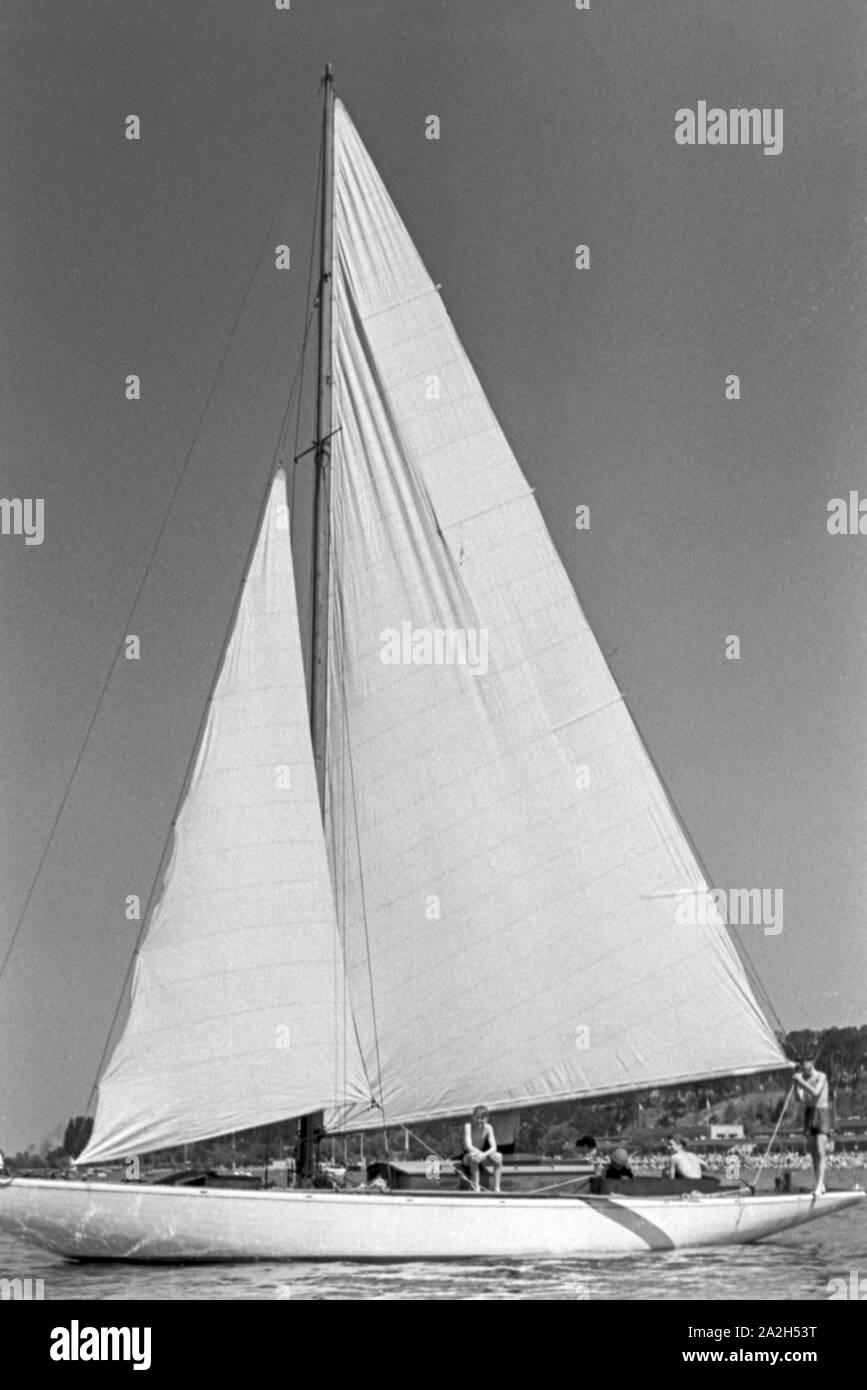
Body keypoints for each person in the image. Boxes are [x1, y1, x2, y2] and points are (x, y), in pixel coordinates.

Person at [793, 1057, 830, 1196]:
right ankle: (819, 1184)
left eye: (804, 1063)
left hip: (821, 1112)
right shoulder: (803, 1078)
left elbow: (815, 1092)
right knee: (813, 1151)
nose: (802, 1066)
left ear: (811, 1063)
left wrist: (800, 1081)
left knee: (820, 1149)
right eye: (801, 1064)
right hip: (809, 1113)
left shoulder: (822, 1076)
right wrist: (796, 1084)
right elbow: (799, 1098)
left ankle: (820, 1186)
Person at [462, 1105, 503, 1193]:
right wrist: (481, 1155)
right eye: (477, 1118)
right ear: (473, 1117)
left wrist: (484, 1155)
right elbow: (469, 1146)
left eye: (482, 1118)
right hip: (467, 1156)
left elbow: (494, 1147)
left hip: (482, 1155)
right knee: (474, 1156)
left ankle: (497, 1189)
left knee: (498, 1156)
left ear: (487, 1119)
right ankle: (476, 1188)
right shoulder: (468, 1127)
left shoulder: (488, 1128)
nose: (479, 1121)